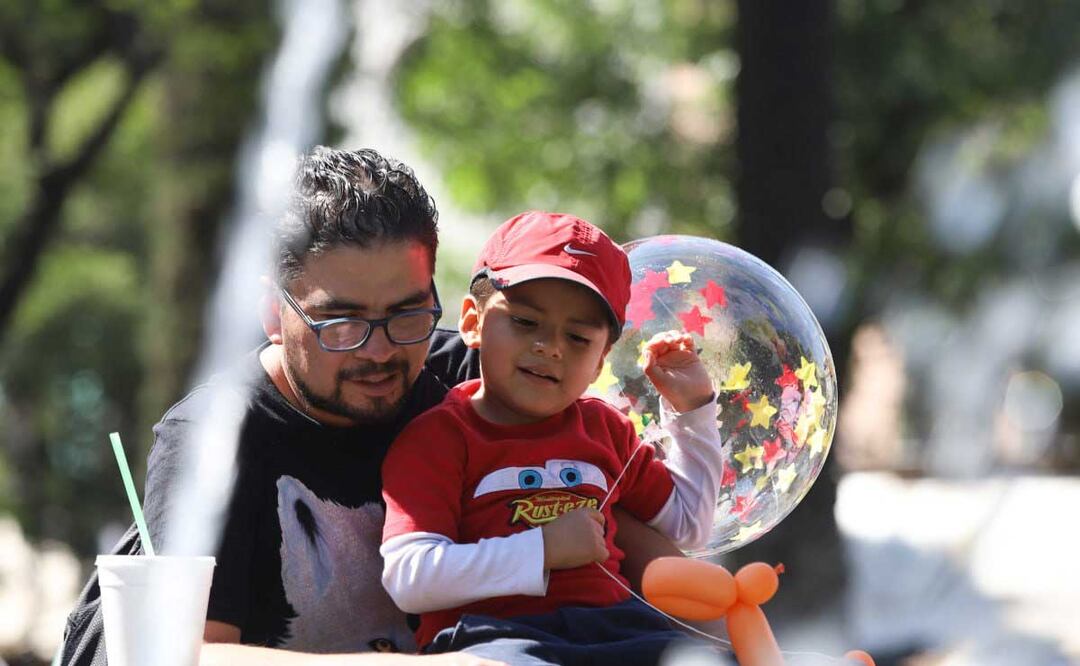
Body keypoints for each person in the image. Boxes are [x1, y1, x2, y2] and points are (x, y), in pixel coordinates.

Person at [59, 147, 685, 666]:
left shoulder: (475, 379)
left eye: (407, 313)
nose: (380, 351)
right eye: (340, 320)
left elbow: (608, 514)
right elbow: (184, 654)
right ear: (274, 313)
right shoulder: (214, 441)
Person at [380, 211, 729, 665]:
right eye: (526, 322)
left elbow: (688, 523)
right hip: (497, 640)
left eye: (579, 338)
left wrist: (692, 409)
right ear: (472, 321)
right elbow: (410, 578)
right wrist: (540, 550)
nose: (552, 347)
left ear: (601, 361)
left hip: (617, 629)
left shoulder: (606, 430)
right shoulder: (438, 437)